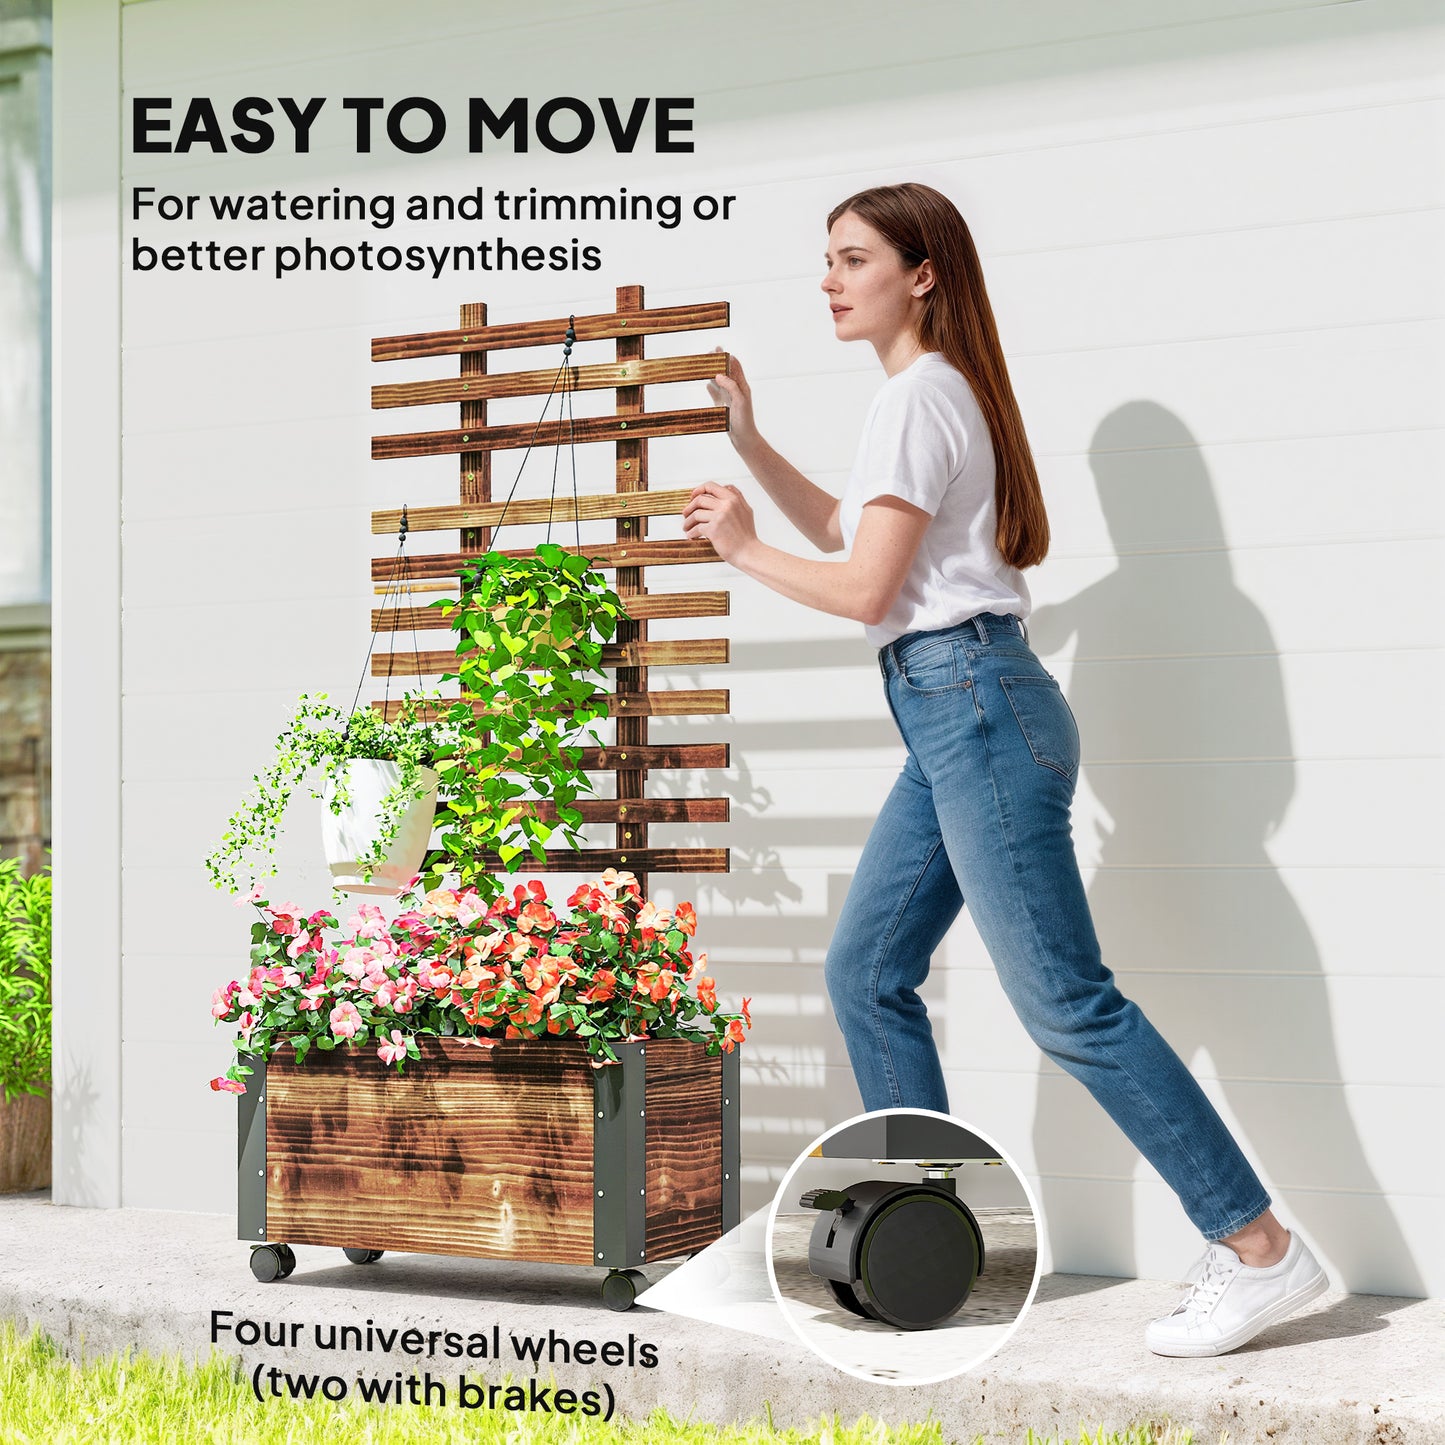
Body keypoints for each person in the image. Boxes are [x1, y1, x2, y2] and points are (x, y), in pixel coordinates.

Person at [681, 181, 1327, 1357]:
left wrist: (739, 549)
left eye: (851, 258)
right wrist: (751, 442)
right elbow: (850, 532)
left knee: (1065, 1004)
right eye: (826, 259)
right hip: (957, 713)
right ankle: (922, 1235)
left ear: (920, 272)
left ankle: (1258, 1247)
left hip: (971, 710)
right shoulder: (927, 395)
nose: (828, 279)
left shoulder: (916, 396)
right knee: (866, 968)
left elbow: (863, 588)